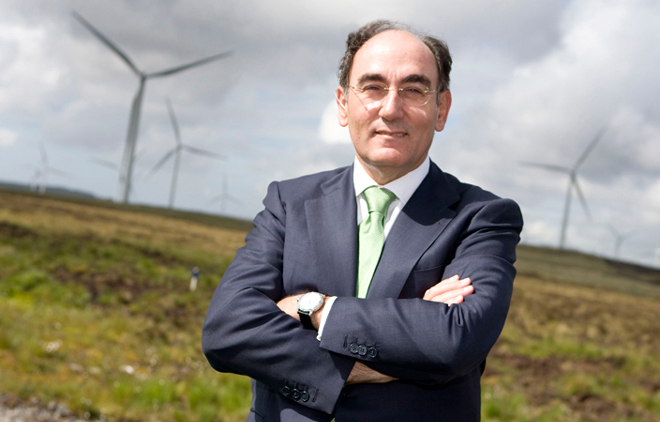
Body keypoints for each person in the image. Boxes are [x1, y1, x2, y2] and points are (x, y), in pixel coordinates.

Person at [202, 20, 523, 422]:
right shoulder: (289, 202)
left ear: (441, 109)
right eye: (373, 87)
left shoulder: (482, 216)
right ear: (343, 104)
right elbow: (227, 329)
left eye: (414, 90)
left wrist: (314, 309)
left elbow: (455, 338)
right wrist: (376, 360)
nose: (391, 108)